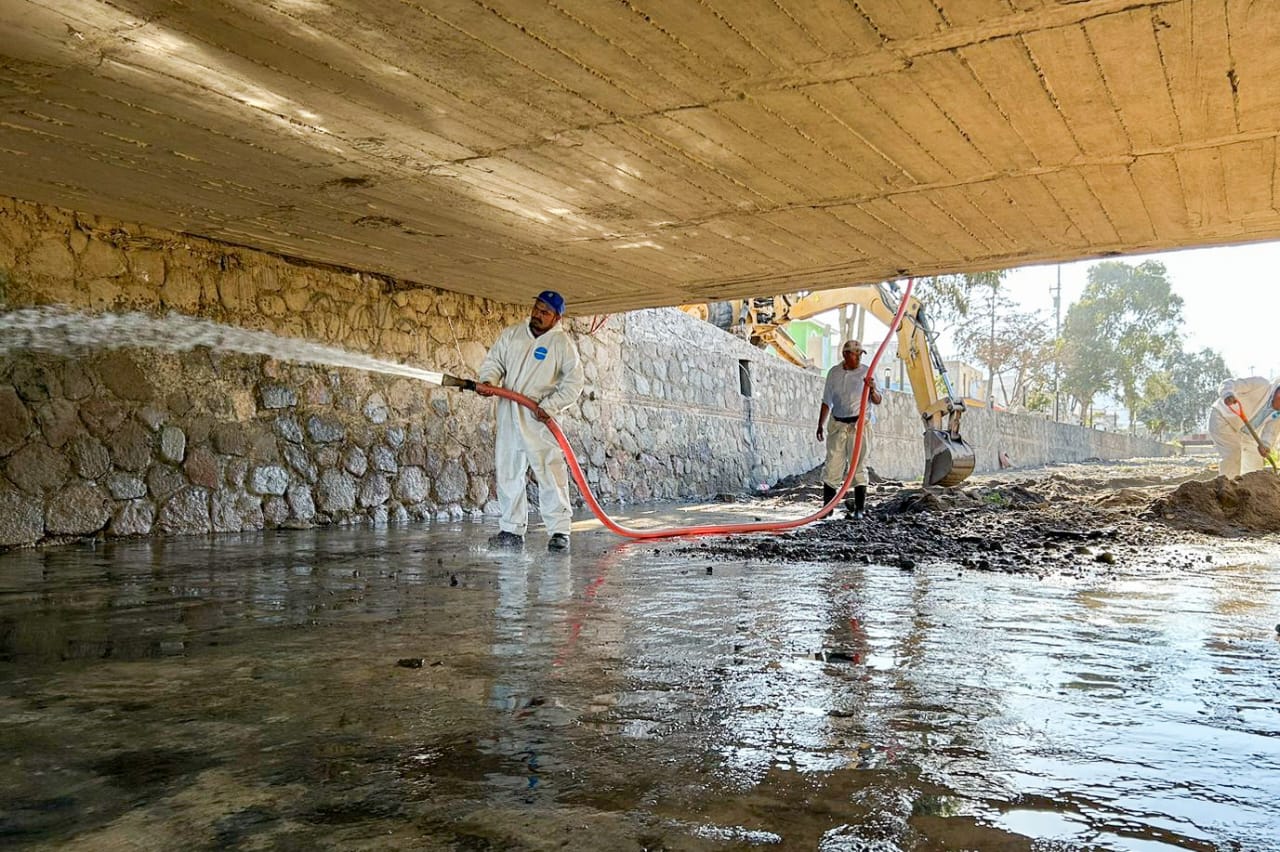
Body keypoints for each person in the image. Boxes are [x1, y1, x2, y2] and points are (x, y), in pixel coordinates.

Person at [476, 291, 584, 551]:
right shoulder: (513, 334)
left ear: (557, 317)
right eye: (536, 308)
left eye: (545, 312)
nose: (537, 314)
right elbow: (494, 362)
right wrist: (489, 380)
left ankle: (559, 530)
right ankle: (511, 530)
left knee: (550, 471)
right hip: (509, 411)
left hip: (539, 417)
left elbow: (574, 383)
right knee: (509, 471)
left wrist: (550, 406)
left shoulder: (562, 345)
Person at [816, 339, 883, 520]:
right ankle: (827, 509)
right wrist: (820, 425)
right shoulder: (834, 374)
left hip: (859, 426)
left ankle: (859, 509)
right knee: (832, 466)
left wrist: (872, 388)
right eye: (856, 353)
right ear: (846, 355)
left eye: (861, 354)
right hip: (838, 424)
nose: (859, 357)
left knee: (859, 466)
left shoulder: (867, 373)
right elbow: (826, 401)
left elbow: (877, 400)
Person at [1208, 376, 1280, 478]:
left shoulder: (1278, 415)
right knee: (1233, 454)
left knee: (1255, 463)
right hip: (1223, 418)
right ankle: (1227, 487)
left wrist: (1265, 445)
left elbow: (1271, 432)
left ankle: (1249, 490)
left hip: (1246, 434)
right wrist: (1228, 394)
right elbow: (1229, 383)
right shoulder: (1261, 384)